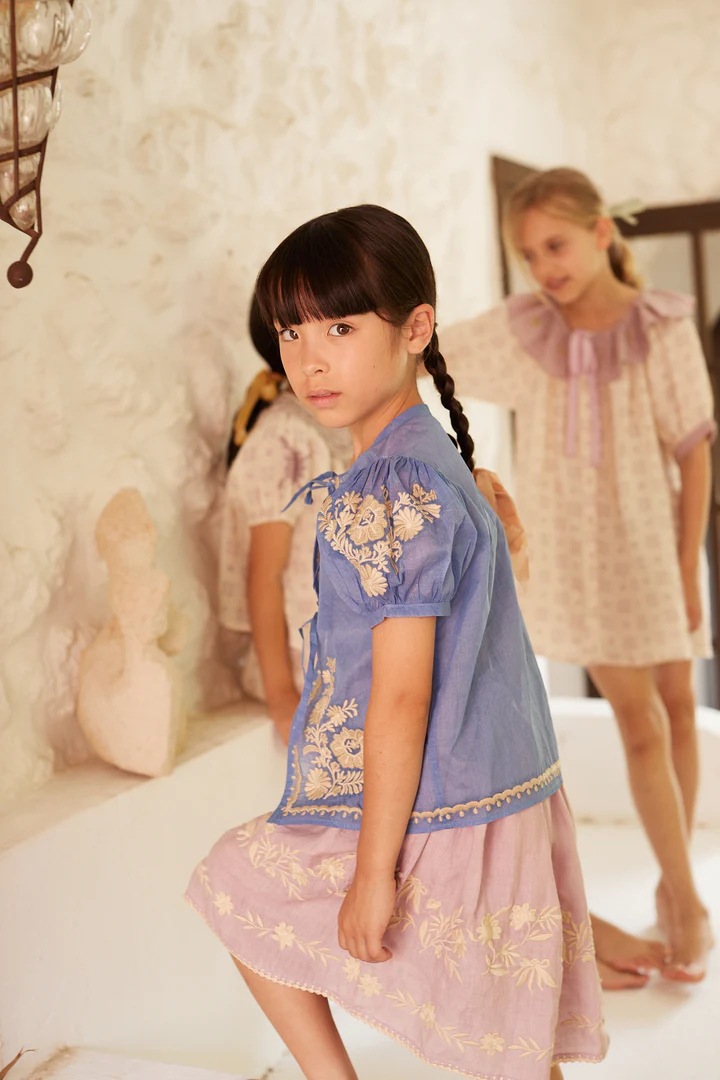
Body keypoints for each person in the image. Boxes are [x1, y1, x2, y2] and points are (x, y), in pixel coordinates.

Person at [186, 204, 607, 1080]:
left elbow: (405, 693)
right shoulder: (426, 457)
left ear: (416, 329)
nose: (309, 358)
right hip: (498, 785)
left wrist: (373, 874)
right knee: (509, 1047)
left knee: (237, 881)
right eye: (292, 331)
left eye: (340, 327)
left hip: (453, 802)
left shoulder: (393, 482)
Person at [441, 167, 716, 982]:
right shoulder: (526, 330)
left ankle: (671, 879)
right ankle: (690, 900)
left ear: (601, 233)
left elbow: (694, 453)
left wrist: (687, 569)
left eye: (556, 246)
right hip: (582, 557)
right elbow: (429, 349)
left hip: (655, 548)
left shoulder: (662, 326)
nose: (543, 268)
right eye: (528, 255)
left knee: (677, 706)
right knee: (642, 723)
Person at [217, 296, 350, 742]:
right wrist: (281, 698)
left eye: (339, 330)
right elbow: (264, 575)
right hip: (302, 664)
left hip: (343, 650)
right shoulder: (287, 438)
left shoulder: (339, 427)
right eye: (293, 335)